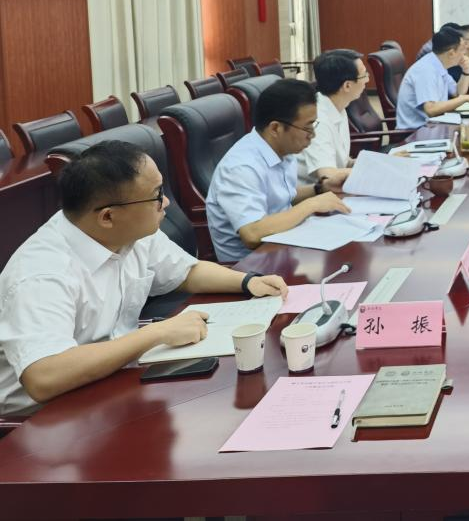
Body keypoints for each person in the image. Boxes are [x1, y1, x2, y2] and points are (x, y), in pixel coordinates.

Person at [0, 141, 289, 416]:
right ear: (107, 217)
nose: (166, 202)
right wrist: (155, 334)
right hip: (44, 418)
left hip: (111, 383)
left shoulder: (128, 233)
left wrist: (247, 281)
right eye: (156, 195)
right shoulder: (41, 274)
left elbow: (186, 271)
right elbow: (44, 377)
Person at [206, 79, 352, 262]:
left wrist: (321, 188)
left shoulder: (281, 148)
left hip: (286, 245)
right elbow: (252, 233)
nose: (313, 135)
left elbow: (281, 196)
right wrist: (312, 204)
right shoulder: (242, 167)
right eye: (307, 128)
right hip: (254, 265)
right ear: (275, 128)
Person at [298, 48, 369, 187]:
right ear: (347, 86)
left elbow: (342, 162)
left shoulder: (337, 106)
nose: (367, 79)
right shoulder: (317, 121)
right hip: (313, 194)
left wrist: (384, 162)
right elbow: (328, 176)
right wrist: (376, 171)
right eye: (364, 75)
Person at [395, 26, 469, 130]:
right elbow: (431, 109)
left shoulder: (439, 64)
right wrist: (465, 99)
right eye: (462, 50)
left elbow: (458, 92)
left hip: (433, 126)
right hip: (416, 132)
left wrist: (466, 72)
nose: (464, 54)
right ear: (451, 53)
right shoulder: (426, 70)